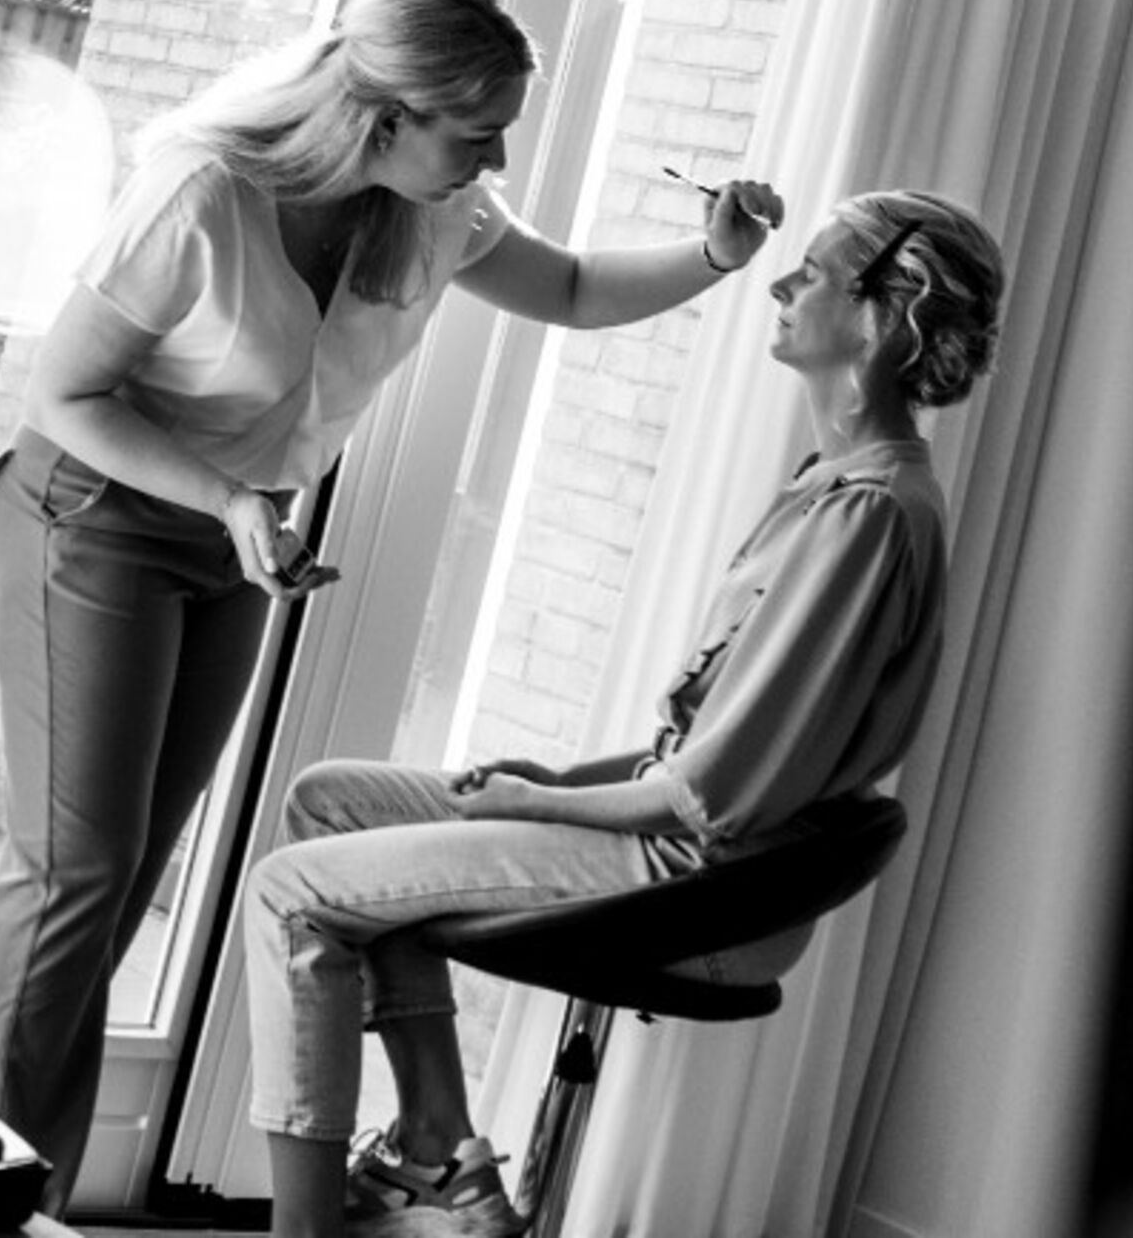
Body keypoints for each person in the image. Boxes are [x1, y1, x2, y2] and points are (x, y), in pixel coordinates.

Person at [0, 0, 784, 1208]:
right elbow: (64, 395)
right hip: (94, 513)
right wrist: (231, 500)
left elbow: (567, 288)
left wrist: (714, 254)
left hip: (233, 537)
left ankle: (21, 1186)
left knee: (121, 872)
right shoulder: (202, 191)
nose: (495, 158)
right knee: (73, 870)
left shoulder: (434, 206)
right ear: (383, 116)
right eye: (476, 130)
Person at [236, 188, 1010, 1238]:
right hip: (687, 849)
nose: (781, 283)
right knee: (331, 801)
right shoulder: (835, 484)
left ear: (887, 313)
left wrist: (531, 800)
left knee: (290, 893)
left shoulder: (867, 515)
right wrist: (558, 783)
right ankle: (437, 1153)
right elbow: (710, 741)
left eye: (817, 270)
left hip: (696, 880)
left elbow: (709, 792)